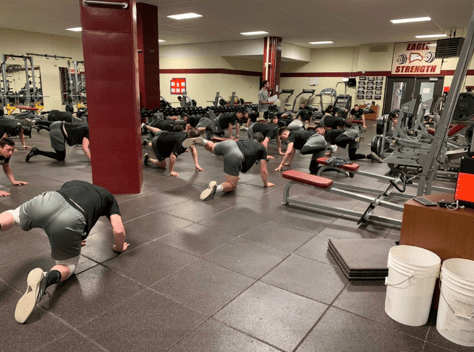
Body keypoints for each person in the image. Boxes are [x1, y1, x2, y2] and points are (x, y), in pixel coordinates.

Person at [0, 180, 129, 324]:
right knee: (68, 265)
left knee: (14, 215)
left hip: (49, 200)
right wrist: (119, 247)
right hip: (71, 220)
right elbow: (118, 230)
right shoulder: (109, 197)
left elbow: (61, 206)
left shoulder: (74, 182)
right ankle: (46, 278)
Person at [183, 132, 274, 200]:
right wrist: (266, 183)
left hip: (230, 144)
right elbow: (263, 170)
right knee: (231, 185)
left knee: (211, 147)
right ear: (261, 141)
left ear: (252, 137)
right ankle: (216, 189)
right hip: (235, 154)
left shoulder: (246, 139)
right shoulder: (262, 148)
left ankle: (203, 141)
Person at [26, 122, 91, 162]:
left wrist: (39, 122)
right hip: (58, 133)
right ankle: (36, 151)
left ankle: (40, 125)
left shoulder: (88, 125)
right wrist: (92, 160)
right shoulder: (90, 132)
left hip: (57, 124)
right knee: (61, 157)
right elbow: (84, 147)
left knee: (56, 129)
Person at [316, 126, 382, 162]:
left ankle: (358, 139)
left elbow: (333, 144)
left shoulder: (327, 133)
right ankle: (369, 156)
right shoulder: (327, 136)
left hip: (351, 133)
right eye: (316, 132)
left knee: (337, 140)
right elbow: (332, 145)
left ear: (323, 129)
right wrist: (330, 153)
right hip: (352, 138)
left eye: (318, 130)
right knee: (352, 156)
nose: (317, 132)